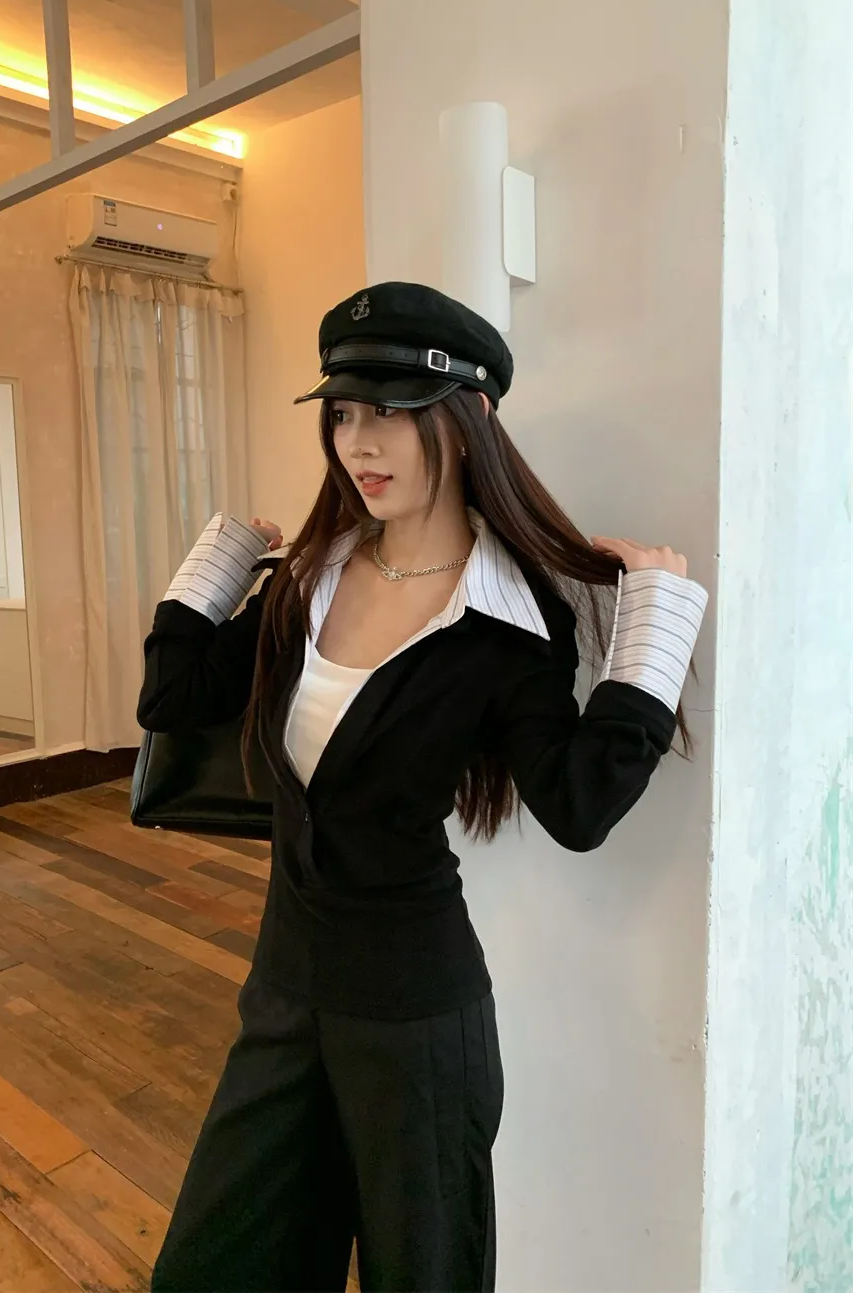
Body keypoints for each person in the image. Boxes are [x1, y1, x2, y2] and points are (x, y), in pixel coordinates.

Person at [139, 281, 708, 1293]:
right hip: (284, 993)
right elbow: (171, 696)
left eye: (392, 410)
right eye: (343, 412)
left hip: (414, 1021)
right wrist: (226, 555)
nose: (359, 441)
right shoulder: (307, 578)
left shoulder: (508, 621)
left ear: (470, 413)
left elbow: (578, 806)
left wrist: (654, 628)